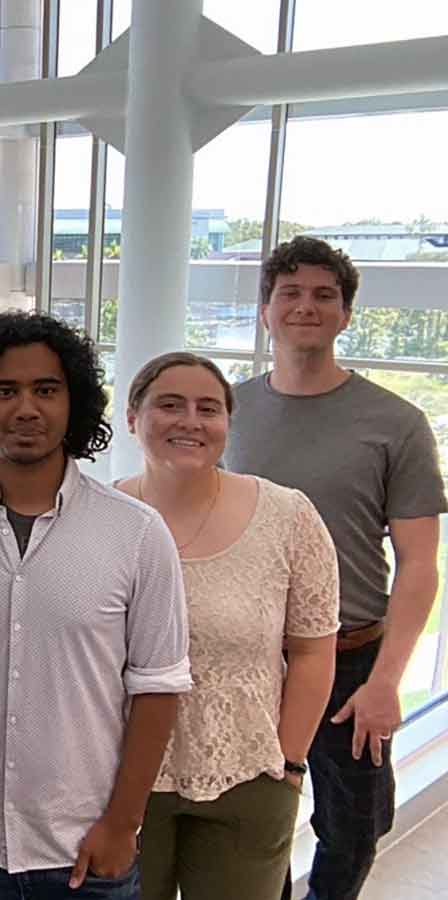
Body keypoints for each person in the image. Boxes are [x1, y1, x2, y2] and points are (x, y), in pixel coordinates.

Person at [0, 311, 192, 900]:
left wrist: (123, 824)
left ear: (75, 403)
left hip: (89, 853)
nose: (26, 409)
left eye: (46, 389)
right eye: (4, 390)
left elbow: (159, 687)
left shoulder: (136, 533)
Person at [224, 237, 447, 900]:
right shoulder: (224, 412)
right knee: (248, 820)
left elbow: (418, 565)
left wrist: (386, 683)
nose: (305, 306)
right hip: (244, 654)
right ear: (266, 310)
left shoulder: (397, 423)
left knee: (356, 825)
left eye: (324, 295)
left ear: (347, 314)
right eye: (289, 293)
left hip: (351, 658)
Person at [116, 352, 339, 900]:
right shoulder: (101, 517)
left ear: (226, 424)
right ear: (132, 417)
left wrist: (287, 765)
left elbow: (313, 650)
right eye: (169, 405)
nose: (190, 421)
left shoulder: (288, 517)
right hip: (120, 782)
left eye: (208, 408)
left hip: (248, 779)